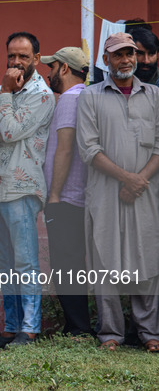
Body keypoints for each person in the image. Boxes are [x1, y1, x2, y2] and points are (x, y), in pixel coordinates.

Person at [76, 32, 159, 352]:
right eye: (118, 55)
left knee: (147, 256)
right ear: (106, 60)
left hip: (147, 192)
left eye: (130, 54)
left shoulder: (154, 95)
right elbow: (89, 149)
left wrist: (138, 181)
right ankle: (110, 333)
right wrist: (127, 179)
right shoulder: (91, 96)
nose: (126, 60)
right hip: (106, 192)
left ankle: (150, 332)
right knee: (104, 259)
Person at [0, 32, 55, 349]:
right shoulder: (6, 90)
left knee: (26, 262)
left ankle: (30, 329)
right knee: (6, 264)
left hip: (22, 188)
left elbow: (9, 130)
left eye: (23, 57)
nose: (16, 62)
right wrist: (4, 92)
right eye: (11, 56)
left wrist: (3, 91)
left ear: (36, 60)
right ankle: (12, 326)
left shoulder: (41, 94)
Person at [40, 47, 93, 336]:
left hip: (68, 199)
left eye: (52, 67)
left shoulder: (70, 100)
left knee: (66, 267)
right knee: (74, 264)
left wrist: (55, 196)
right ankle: (79, 326)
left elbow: (65, 147)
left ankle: (78, 329)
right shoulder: (86, 96)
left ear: (63, 69)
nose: (48, 73)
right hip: (80, 198)